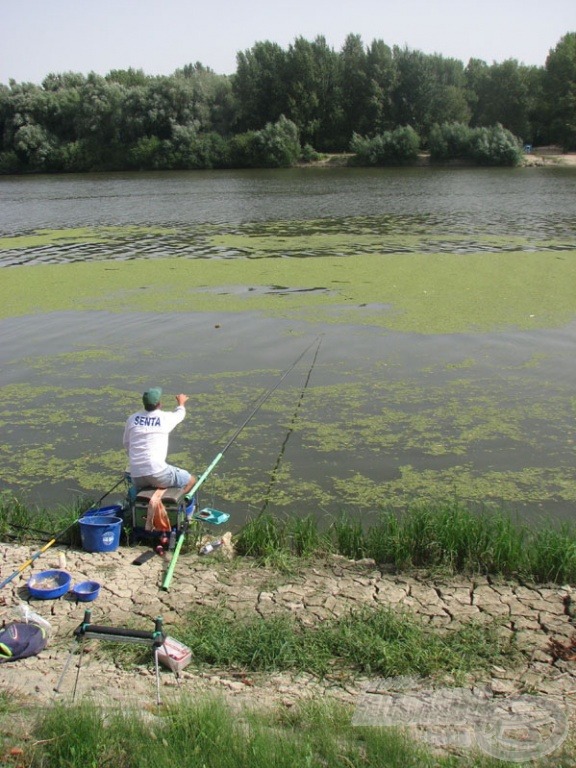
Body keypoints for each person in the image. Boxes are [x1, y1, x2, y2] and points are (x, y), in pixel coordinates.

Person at [123, 387, 196, 495]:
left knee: (146, 483)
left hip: (136, 475)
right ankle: (176, 503)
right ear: (159, 403)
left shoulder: (132, 418)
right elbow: (180, 414)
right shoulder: (164, 418)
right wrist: (181, 403)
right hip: (157, 472)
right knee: (191, 480)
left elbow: (126, 444)